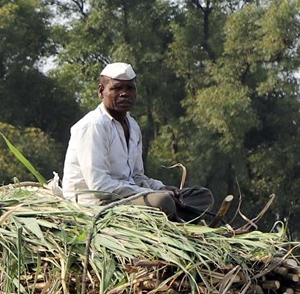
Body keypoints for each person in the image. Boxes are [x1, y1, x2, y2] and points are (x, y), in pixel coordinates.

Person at [58, 63, 212, 222]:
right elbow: (99, 186)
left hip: (128, 196)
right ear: (101, 91)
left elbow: (136, 176)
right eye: (117, 88)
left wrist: (161, 187)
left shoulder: (133, 126)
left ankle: (176, 210)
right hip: (97, 202)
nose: (124, 94)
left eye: (130, 88)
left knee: (202, 195)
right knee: (163, 201)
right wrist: (152, 194)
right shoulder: (94, 126)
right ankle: (177, 213)